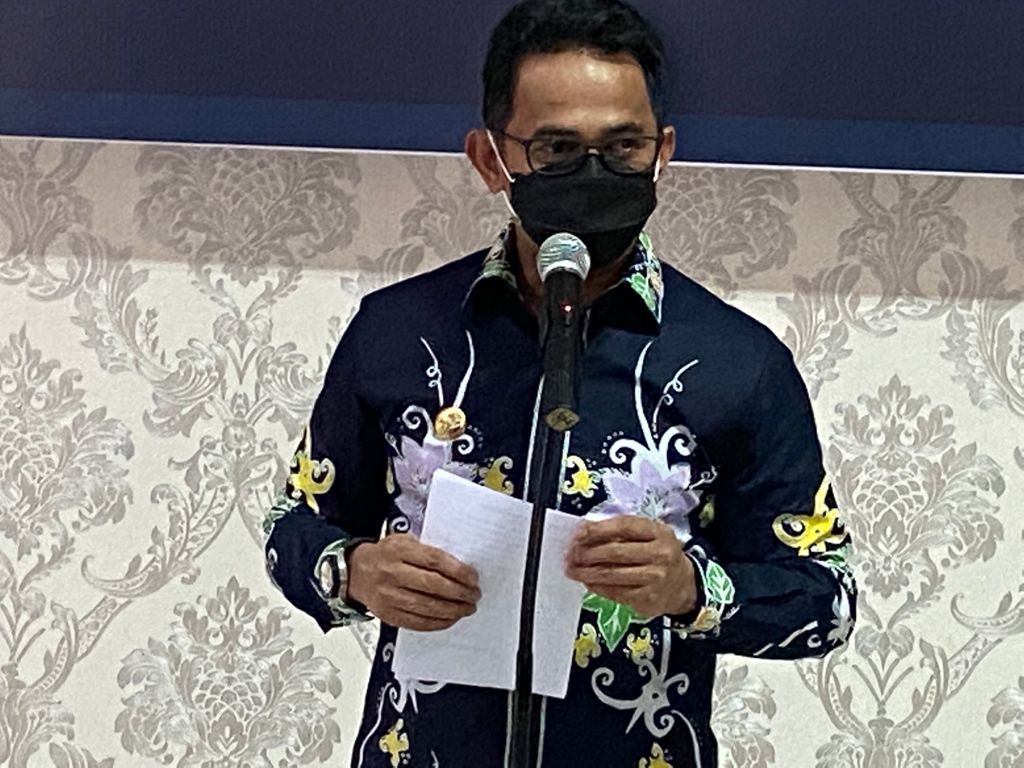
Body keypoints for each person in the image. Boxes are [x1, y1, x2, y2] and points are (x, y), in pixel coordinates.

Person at [263, 1, 857, 765]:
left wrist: (692, 589)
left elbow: (826, 599)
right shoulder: (398, 332)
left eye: (623, 146)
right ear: (490, 160)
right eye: (556, 148)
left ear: (664, 153)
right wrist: (354, 573)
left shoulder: (738, 363)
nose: (593, 172)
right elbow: (294, 525)